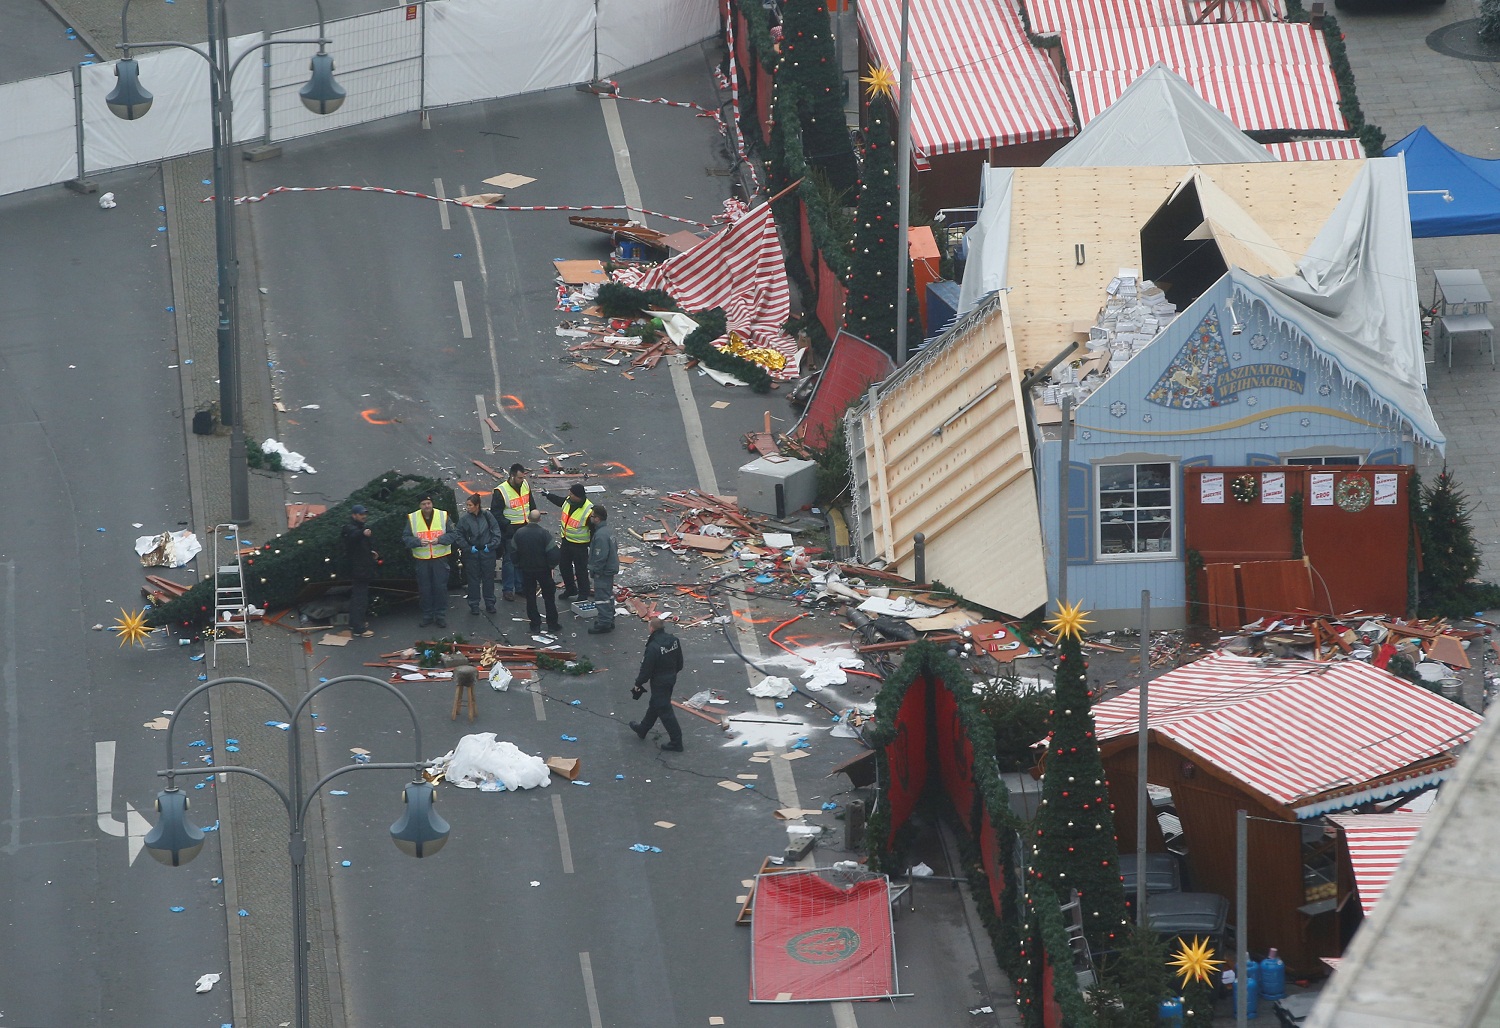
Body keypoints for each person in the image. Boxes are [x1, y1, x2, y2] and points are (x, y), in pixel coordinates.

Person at [629, 617, 685, 751]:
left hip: (659, 682)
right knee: (656, 704)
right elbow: (680, 662)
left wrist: (638, 683)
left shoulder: (653, 647)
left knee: (665, 711)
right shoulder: (674, 640)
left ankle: (676, 742)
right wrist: (673, 673)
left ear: (651, 628)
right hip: (671, 678)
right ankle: (643, 728)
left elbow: (646, 669)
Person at [402, 494, 455, 629]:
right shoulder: (412, 518)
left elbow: (453, 534)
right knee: (425, 589)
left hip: (440, 559)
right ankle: (427, 616)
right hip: (422, 560)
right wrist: (418, 542)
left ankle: (440, 616)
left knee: (440, 588)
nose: (427, 506)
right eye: (424, 504)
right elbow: (406, 538)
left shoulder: (443, 516)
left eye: (428, 503)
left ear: (432, 504)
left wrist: (440, 540)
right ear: (420, 506)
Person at [490, 463, 536, 602]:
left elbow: (530, 504)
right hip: (511, 530)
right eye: (520, 478)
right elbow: (496, 514)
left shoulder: (525, 485)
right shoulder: (501, 491)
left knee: (522, 559)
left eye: (523, 477)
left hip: (525, 527)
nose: (522, 480)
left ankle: (520, 587)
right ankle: (508, 589)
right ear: (512, 476)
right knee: (509, 560)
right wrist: (507, 525)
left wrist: (533, 518)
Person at [511, 509, 561, 635]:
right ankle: (552, 624)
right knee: (549, 597)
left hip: (526, 570)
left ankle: (535, 624)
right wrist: (550, 566)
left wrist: (518, 564)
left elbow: (513, 551)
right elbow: (553, 553)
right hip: (543, 570)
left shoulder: (519, 533)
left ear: (528, 518)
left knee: (530, 597)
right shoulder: (544, 534)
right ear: (539, 519)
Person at [542, 482, 594, 601]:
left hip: (580, 545)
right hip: (567, 541)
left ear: (578, 496)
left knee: (581, 571)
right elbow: (560, 501)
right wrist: (548, 495)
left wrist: (592, 546)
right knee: (564, 566)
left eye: (571, 494)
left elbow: (593, 530)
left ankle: (583, 594)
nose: (569, 495)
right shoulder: (569, 501)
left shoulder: (589, 510)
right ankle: (571, 589)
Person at [454, 494, 502, 615]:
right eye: (467, 505)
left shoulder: (488, 517)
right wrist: (469, 548)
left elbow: (496, 532)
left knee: (488, 580)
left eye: (470, 505)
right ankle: (474, 604)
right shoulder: (465, 520)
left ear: (477, 506)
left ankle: (489, 603)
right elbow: (458, 535)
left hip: (487, 554)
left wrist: (490, 546)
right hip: (472, 555)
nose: (467, 508)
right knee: (473, 581)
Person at [340, 504, 378, 638]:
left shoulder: (356, 527)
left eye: (364, 514)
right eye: (361, 514)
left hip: (360, 568)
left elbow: (358, 547)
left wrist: (370, 552)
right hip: (359, 570)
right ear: (354, 515)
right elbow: (353, 537)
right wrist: (363, 533)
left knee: (358, 597)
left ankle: (354, 623)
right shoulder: (351, 529)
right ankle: (359, 628)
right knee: (360, 599)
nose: (364, 516)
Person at [586, 505, 618, 634]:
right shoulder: (607, 531)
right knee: (608, 595)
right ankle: (609, 620)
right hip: (610, 569)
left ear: (597, 519)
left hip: (603, 571)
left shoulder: (600, 535)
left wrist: (595, 570)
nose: (590, 518)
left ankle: (604, 623)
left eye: (592, 516)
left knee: (601, 598)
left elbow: (600, 556)